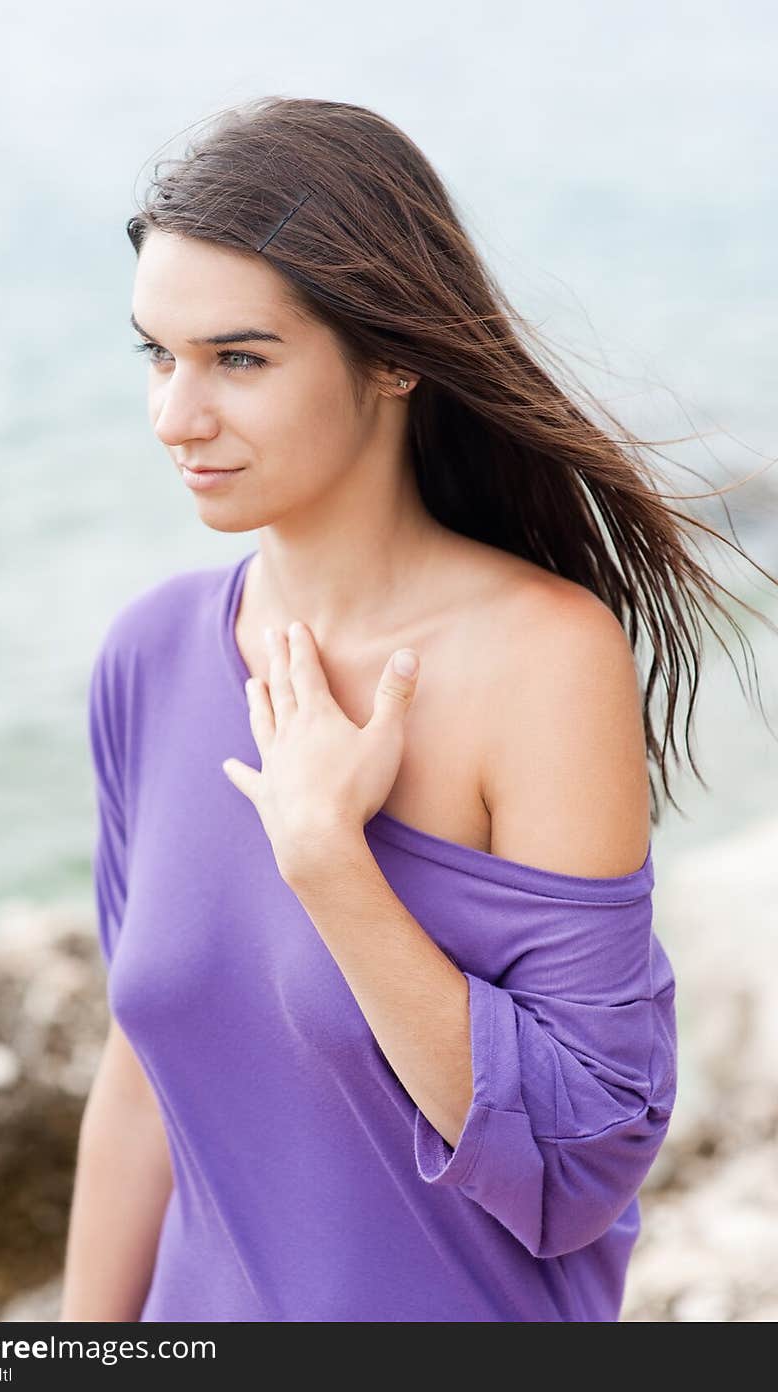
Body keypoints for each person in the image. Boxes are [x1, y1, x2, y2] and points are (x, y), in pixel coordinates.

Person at [59, 97, 776, 1323]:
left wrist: (330, 863)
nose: (177, 416)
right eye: (157, 356)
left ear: (393, 358)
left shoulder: (543, 660)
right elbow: (142, 1087)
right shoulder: (151, 658)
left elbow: (578, 1164)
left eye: (239, 358)